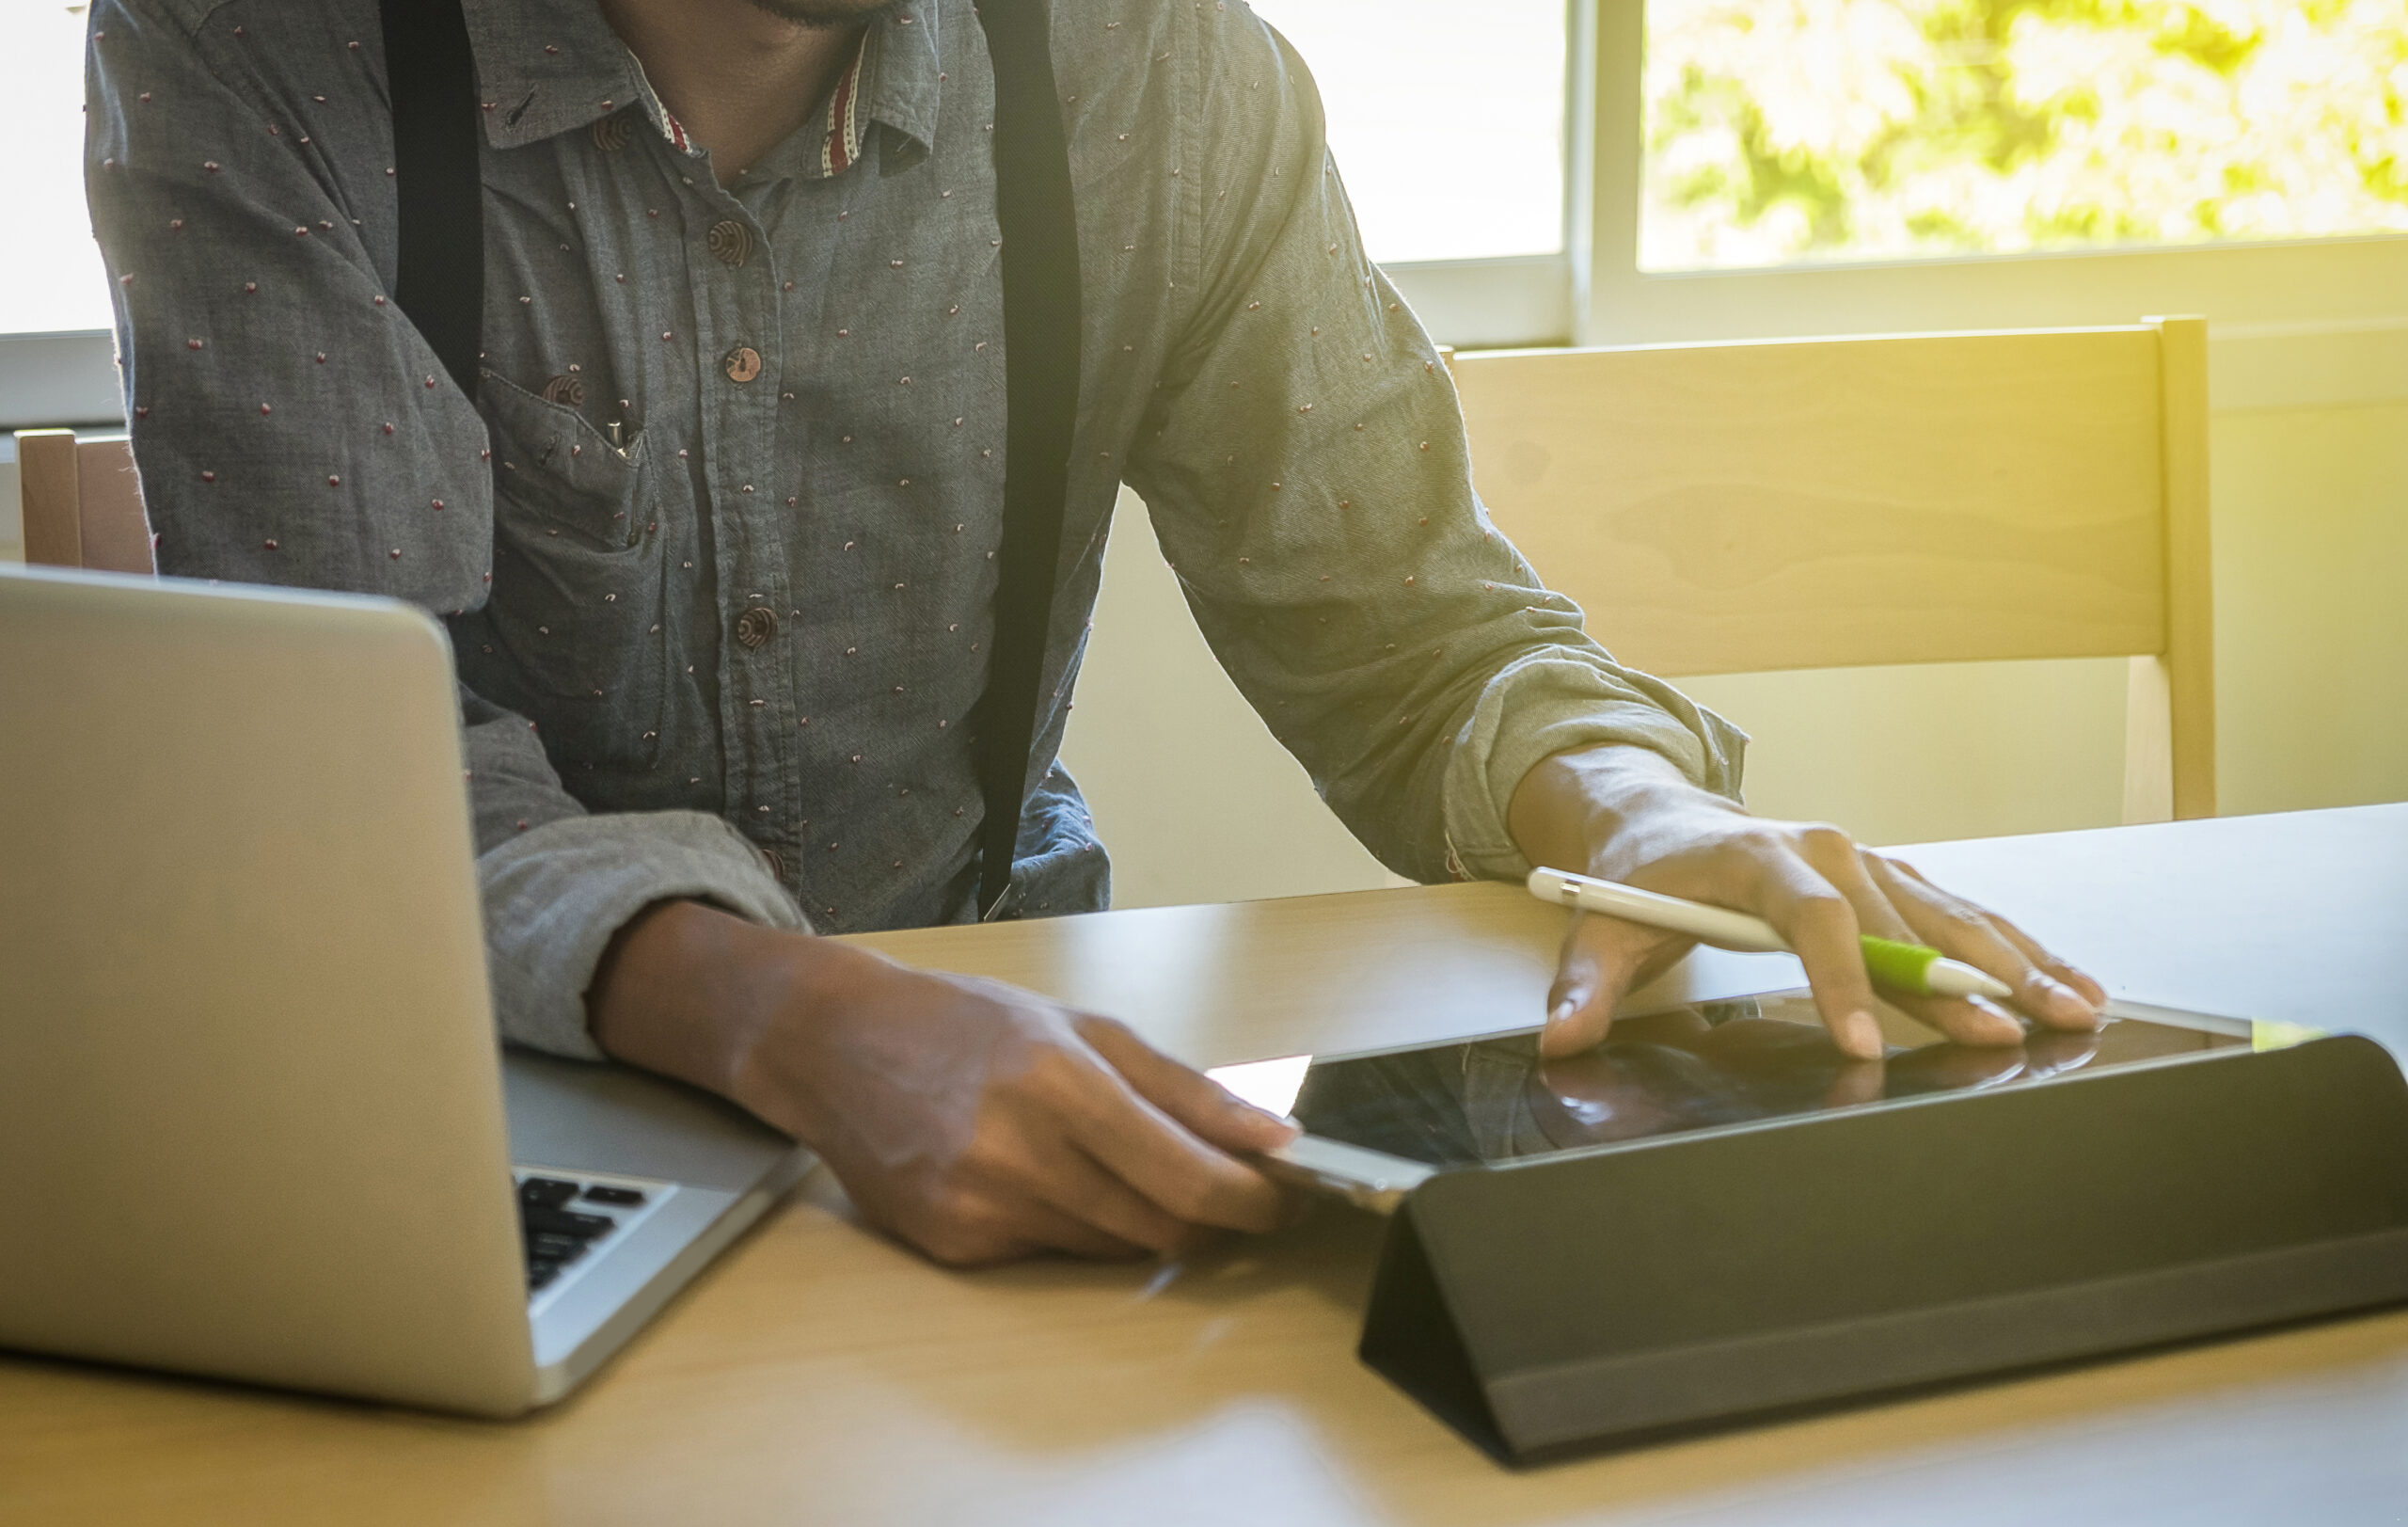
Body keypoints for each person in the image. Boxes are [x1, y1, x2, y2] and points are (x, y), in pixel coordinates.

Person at [86, 0, 2105, 1266]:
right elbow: (376, 759)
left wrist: (1629, 801)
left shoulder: (1160, 71)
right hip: (481, 1104)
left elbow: (1396, 617)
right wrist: (790, 1014)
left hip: (1007, 1074)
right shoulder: (249, 46)